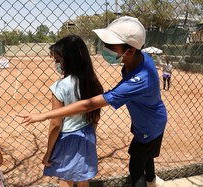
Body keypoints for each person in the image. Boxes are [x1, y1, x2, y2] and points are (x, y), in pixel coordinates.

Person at [16, 16, 167, 187]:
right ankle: (153, 181)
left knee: (136, 165)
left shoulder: (139, 80)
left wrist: (44, 115)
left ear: (130, 51)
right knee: (145, 156)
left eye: (111, 46)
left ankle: (147, 182)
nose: (105, 49)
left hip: (149, 125)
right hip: (147, 120)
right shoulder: (139, 58)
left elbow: (89, 105)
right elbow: (94, 115)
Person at [41, 34, 103, 187]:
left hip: (66, 139)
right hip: (87, 135)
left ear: (70, 60)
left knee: (65, 178)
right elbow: (95, 117)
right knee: (83, 179)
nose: (56, 64)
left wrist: (48, 152)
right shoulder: (93, 83)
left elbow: (56, 124)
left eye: (58, 60)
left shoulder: (60, 86)